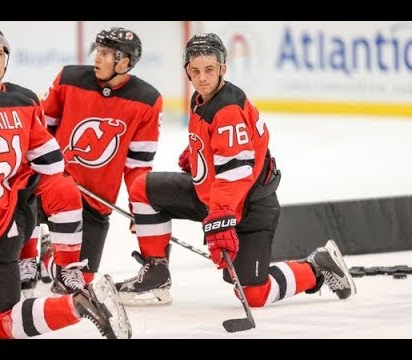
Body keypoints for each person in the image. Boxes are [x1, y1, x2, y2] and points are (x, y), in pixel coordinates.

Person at [115, 33, 357, 308]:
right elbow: (224, 148)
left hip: (250, 207)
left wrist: (220, 219)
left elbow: (236, 173)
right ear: (187, 71)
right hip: (214, 197)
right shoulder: (202, 98)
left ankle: (316, 267)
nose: (202, 77)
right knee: (142, 189)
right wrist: (198, 156)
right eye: (195, 71)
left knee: (254, 295)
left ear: (223, 69)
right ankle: (156, 274)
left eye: (209, 70)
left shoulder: (227, 109)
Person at [0, 35, 131, 339]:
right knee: (61, 189)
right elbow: (52, 164)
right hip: (18, 219)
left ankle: (77, 303)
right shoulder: (21, 105)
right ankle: (59, 271)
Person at [41, 26, 163, 291]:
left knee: (79, 280)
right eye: (98, 50)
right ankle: (28, 255)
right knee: (18, 205)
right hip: (52, 188)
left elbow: (138, 166)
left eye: (106, 53)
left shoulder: (147, 100)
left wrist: (138, 205)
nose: (97, 57)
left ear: (125, 61)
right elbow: (39, 133)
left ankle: (48, 255)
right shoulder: (69, 79)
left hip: (95, 200)